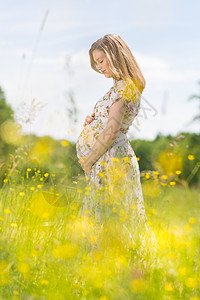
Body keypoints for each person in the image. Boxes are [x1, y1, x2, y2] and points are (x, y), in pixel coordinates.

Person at [76, 34, 158, 261]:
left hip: (110, 161)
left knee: (112, 215)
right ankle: (106, 268)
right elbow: (108, 122)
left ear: (115, 55)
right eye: (96, 63)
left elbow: (112, 131)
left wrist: (88, 159)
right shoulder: (118, 88)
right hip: (106, 160)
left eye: (101, 60)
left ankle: (120, 270)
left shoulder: (125, 88)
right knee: (106, 214)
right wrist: (93, 121)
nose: (99, 67)